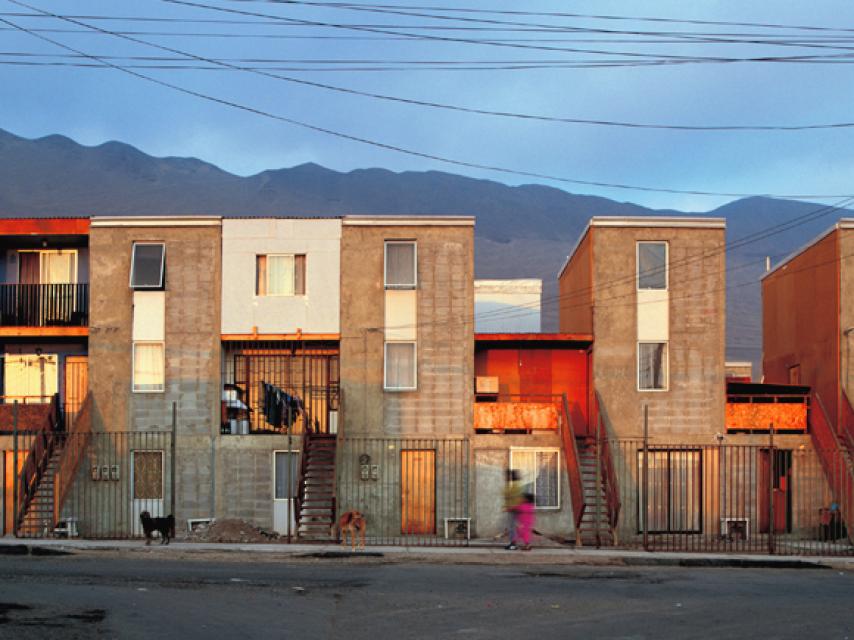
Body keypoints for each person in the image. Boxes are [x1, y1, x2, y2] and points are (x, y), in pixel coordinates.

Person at [503, 469, 523, 550]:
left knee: (512, 527)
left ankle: (513, 544)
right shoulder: (515, 485)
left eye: (509, 476)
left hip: (514, 509)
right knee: (512, 527)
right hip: (513, 509)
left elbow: (511, 496)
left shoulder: (515, 486)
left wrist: (511, 507)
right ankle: (512, 543)